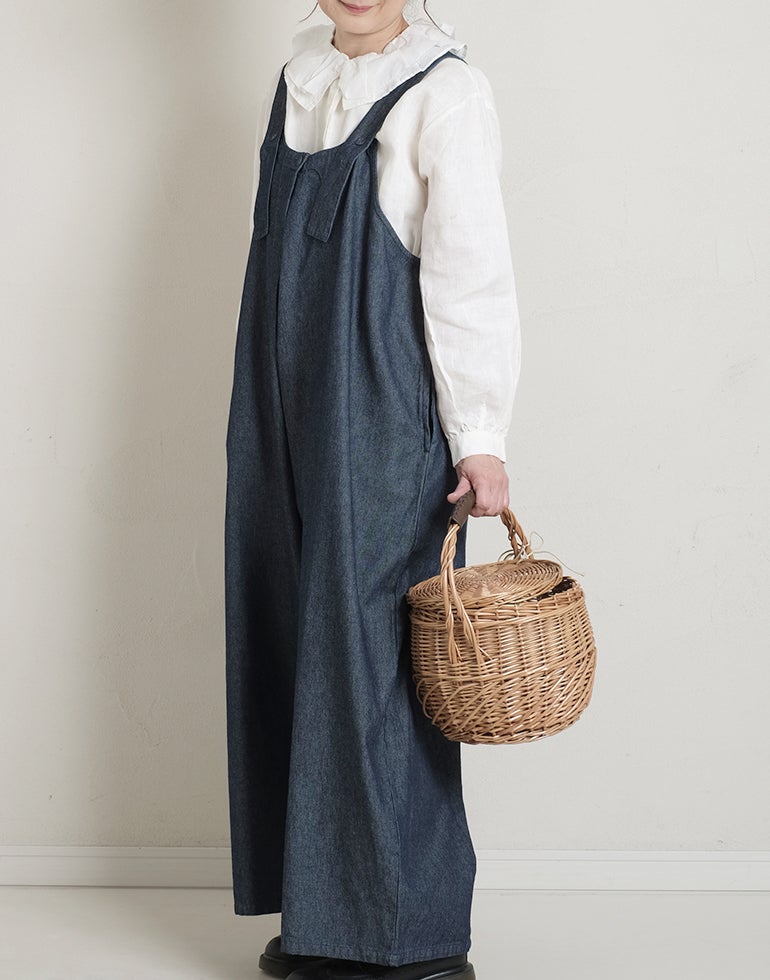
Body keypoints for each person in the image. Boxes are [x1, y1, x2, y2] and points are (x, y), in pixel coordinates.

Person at [224, 2, 521, 978]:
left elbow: (470, 272)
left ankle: (405, 935)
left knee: (377, 662)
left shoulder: (445, 92)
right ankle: (323, 919)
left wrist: (479, 435)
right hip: (280, 403)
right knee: (286, 635)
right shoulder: (296, 80)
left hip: (383, 408)